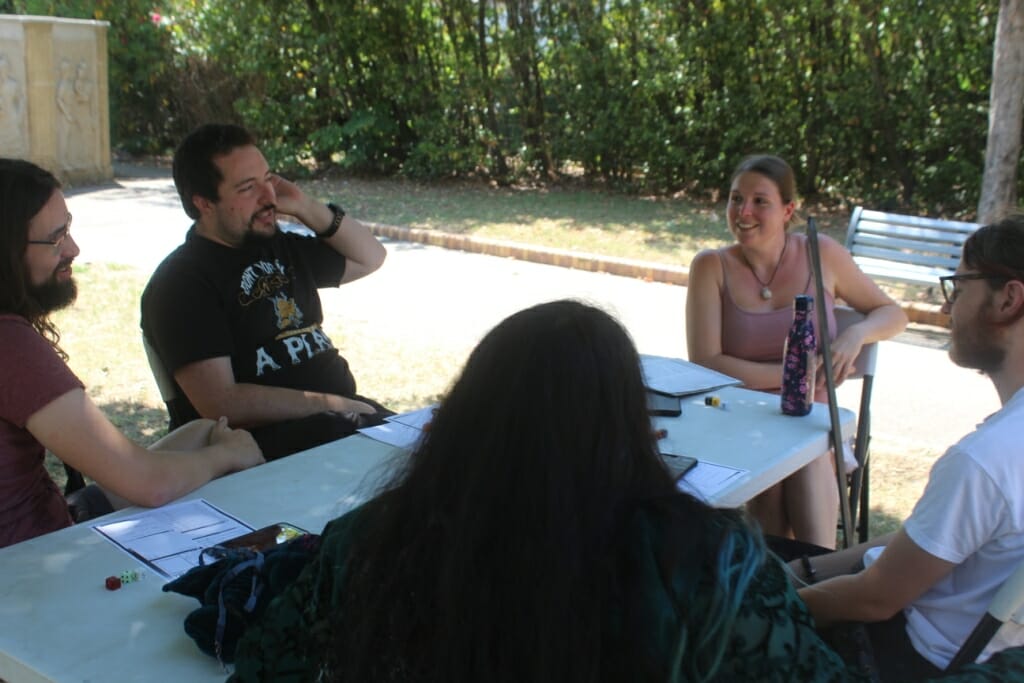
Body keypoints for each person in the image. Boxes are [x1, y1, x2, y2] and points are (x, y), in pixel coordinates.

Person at [228, 300, 852, 682]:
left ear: (465, 417)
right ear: (630, 428)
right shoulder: (709, 561)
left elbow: (265, 665)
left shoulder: (369, 541)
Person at [793, 215, 1024, 679]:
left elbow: (875, 598)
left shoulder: (987, 460)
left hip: (908, 658)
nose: (946, 308)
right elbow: (927, 545)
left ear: (1008, 299)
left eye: (958, 288)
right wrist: (808, 569)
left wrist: (772, 602)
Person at [0, 158, 264, 549]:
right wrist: (228, 455)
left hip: (53, 518)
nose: (73, 248)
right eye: (56, 238)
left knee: (205, 432)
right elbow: (149, 485)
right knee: (222, 451)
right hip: (37, 555)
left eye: (68, 228)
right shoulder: (10, 344)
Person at [686, 154, 907, 548]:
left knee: (803, 456)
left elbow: (893, 313)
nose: (744, 212)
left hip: (812, 419)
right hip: (737, 419)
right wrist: (799, 375)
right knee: (776, 470)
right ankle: (808, 574)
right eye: (736, 199)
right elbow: (706, 362)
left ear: (788, 210)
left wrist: (855, 336)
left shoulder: (822, 254)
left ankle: (807, 571)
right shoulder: (711, 266)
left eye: (760, 201)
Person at [140, 123, 391, 461]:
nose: (269, 196)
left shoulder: (277, 246)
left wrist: (305, 205)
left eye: (268, 179)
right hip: (268, 452)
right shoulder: (182, 282)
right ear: (204, 203)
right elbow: (221, 403)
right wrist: (332, 405)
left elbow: (371, 256)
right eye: (248, 188)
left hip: (340, 424)